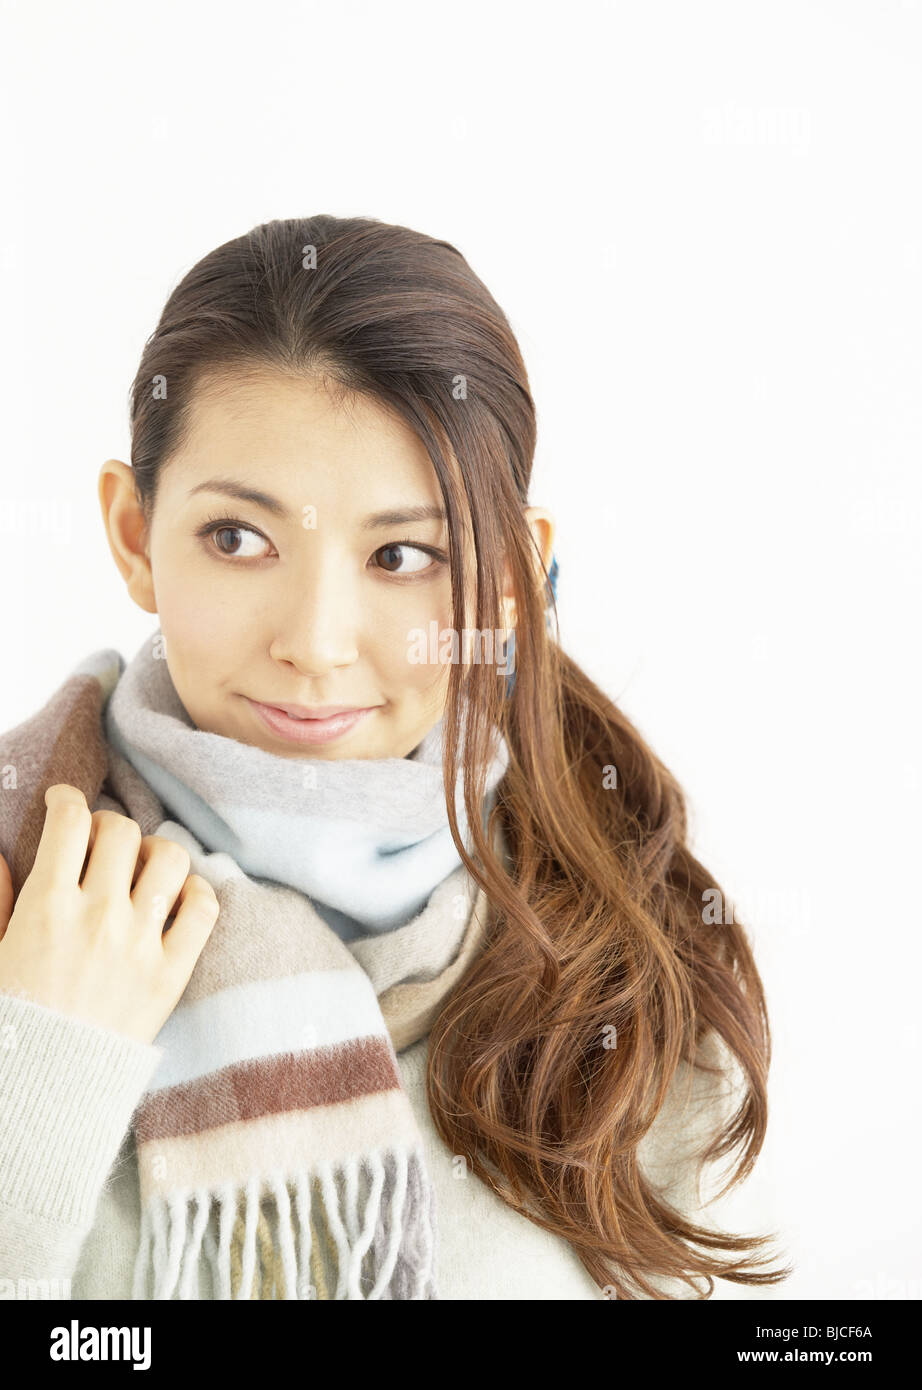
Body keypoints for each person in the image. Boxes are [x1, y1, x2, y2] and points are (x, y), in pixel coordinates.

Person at [0, 215, 791, 1300]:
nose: (315, 643)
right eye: (238, 538)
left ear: (510, 585)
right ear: (134, 535)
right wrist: (39, 1063)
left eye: (402, 554)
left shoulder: (631, 983)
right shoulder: (19, 890)